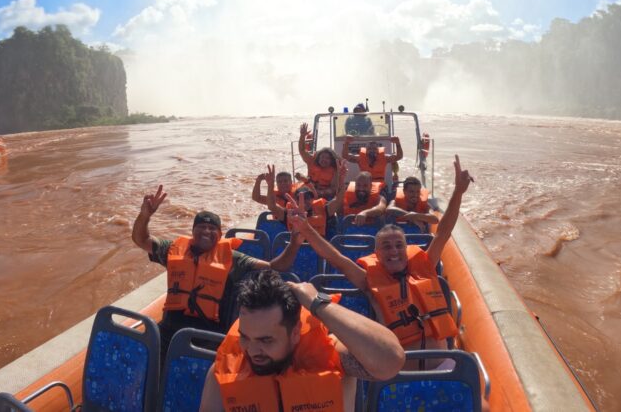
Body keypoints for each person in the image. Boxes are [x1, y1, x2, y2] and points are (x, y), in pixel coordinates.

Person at [289, 156, 473, 370]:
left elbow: (443, 232)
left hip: (443, 367)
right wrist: (306, 229)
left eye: (398, 246)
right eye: (386, 247)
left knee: (482, 404)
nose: (393, 251)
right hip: (399, 374)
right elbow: (335, 259)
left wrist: (458, 192)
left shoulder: (425, 265)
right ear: (377, 253)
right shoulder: (369, 281)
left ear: (406, 249)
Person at [132, 185, 303, 361]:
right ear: (193, 231)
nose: (206, 231)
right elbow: (141, 239)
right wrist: (145, 215)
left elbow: (276, 266)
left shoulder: (234, 259)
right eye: (202, 227)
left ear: (220, 234)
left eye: (212, 228)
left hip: (210, 338)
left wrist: (295, 242)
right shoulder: (173, 250)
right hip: (169, 332)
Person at [199, 270, 405, 411]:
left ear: (295, 332)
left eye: (266, 340)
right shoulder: (225, 369)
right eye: (245, 337)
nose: (252, 350)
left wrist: (317, 304)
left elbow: (391, 360)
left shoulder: (334, 355)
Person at [265, 163, 347, 239]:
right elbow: (272, 206)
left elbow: (338, 200)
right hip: (296, 251)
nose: (303, 201)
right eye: (299, 198)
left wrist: (341, 180)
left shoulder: (324, 209)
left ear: (312, 199)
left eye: (307, 197)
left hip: (319, 251)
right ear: (295, 200)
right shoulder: (288, 213)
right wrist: (270, 185)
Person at [297, 123, 339, 199]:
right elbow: (302, 150)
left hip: (324, 195)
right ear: (318, 158)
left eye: (327, 158)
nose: (324, 160)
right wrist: (302, 136)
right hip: (308, 192)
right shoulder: (311, 161)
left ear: (331, 160)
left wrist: (319, 193)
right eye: (322, 157)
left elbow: (333, 188)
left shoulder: (335, 169)